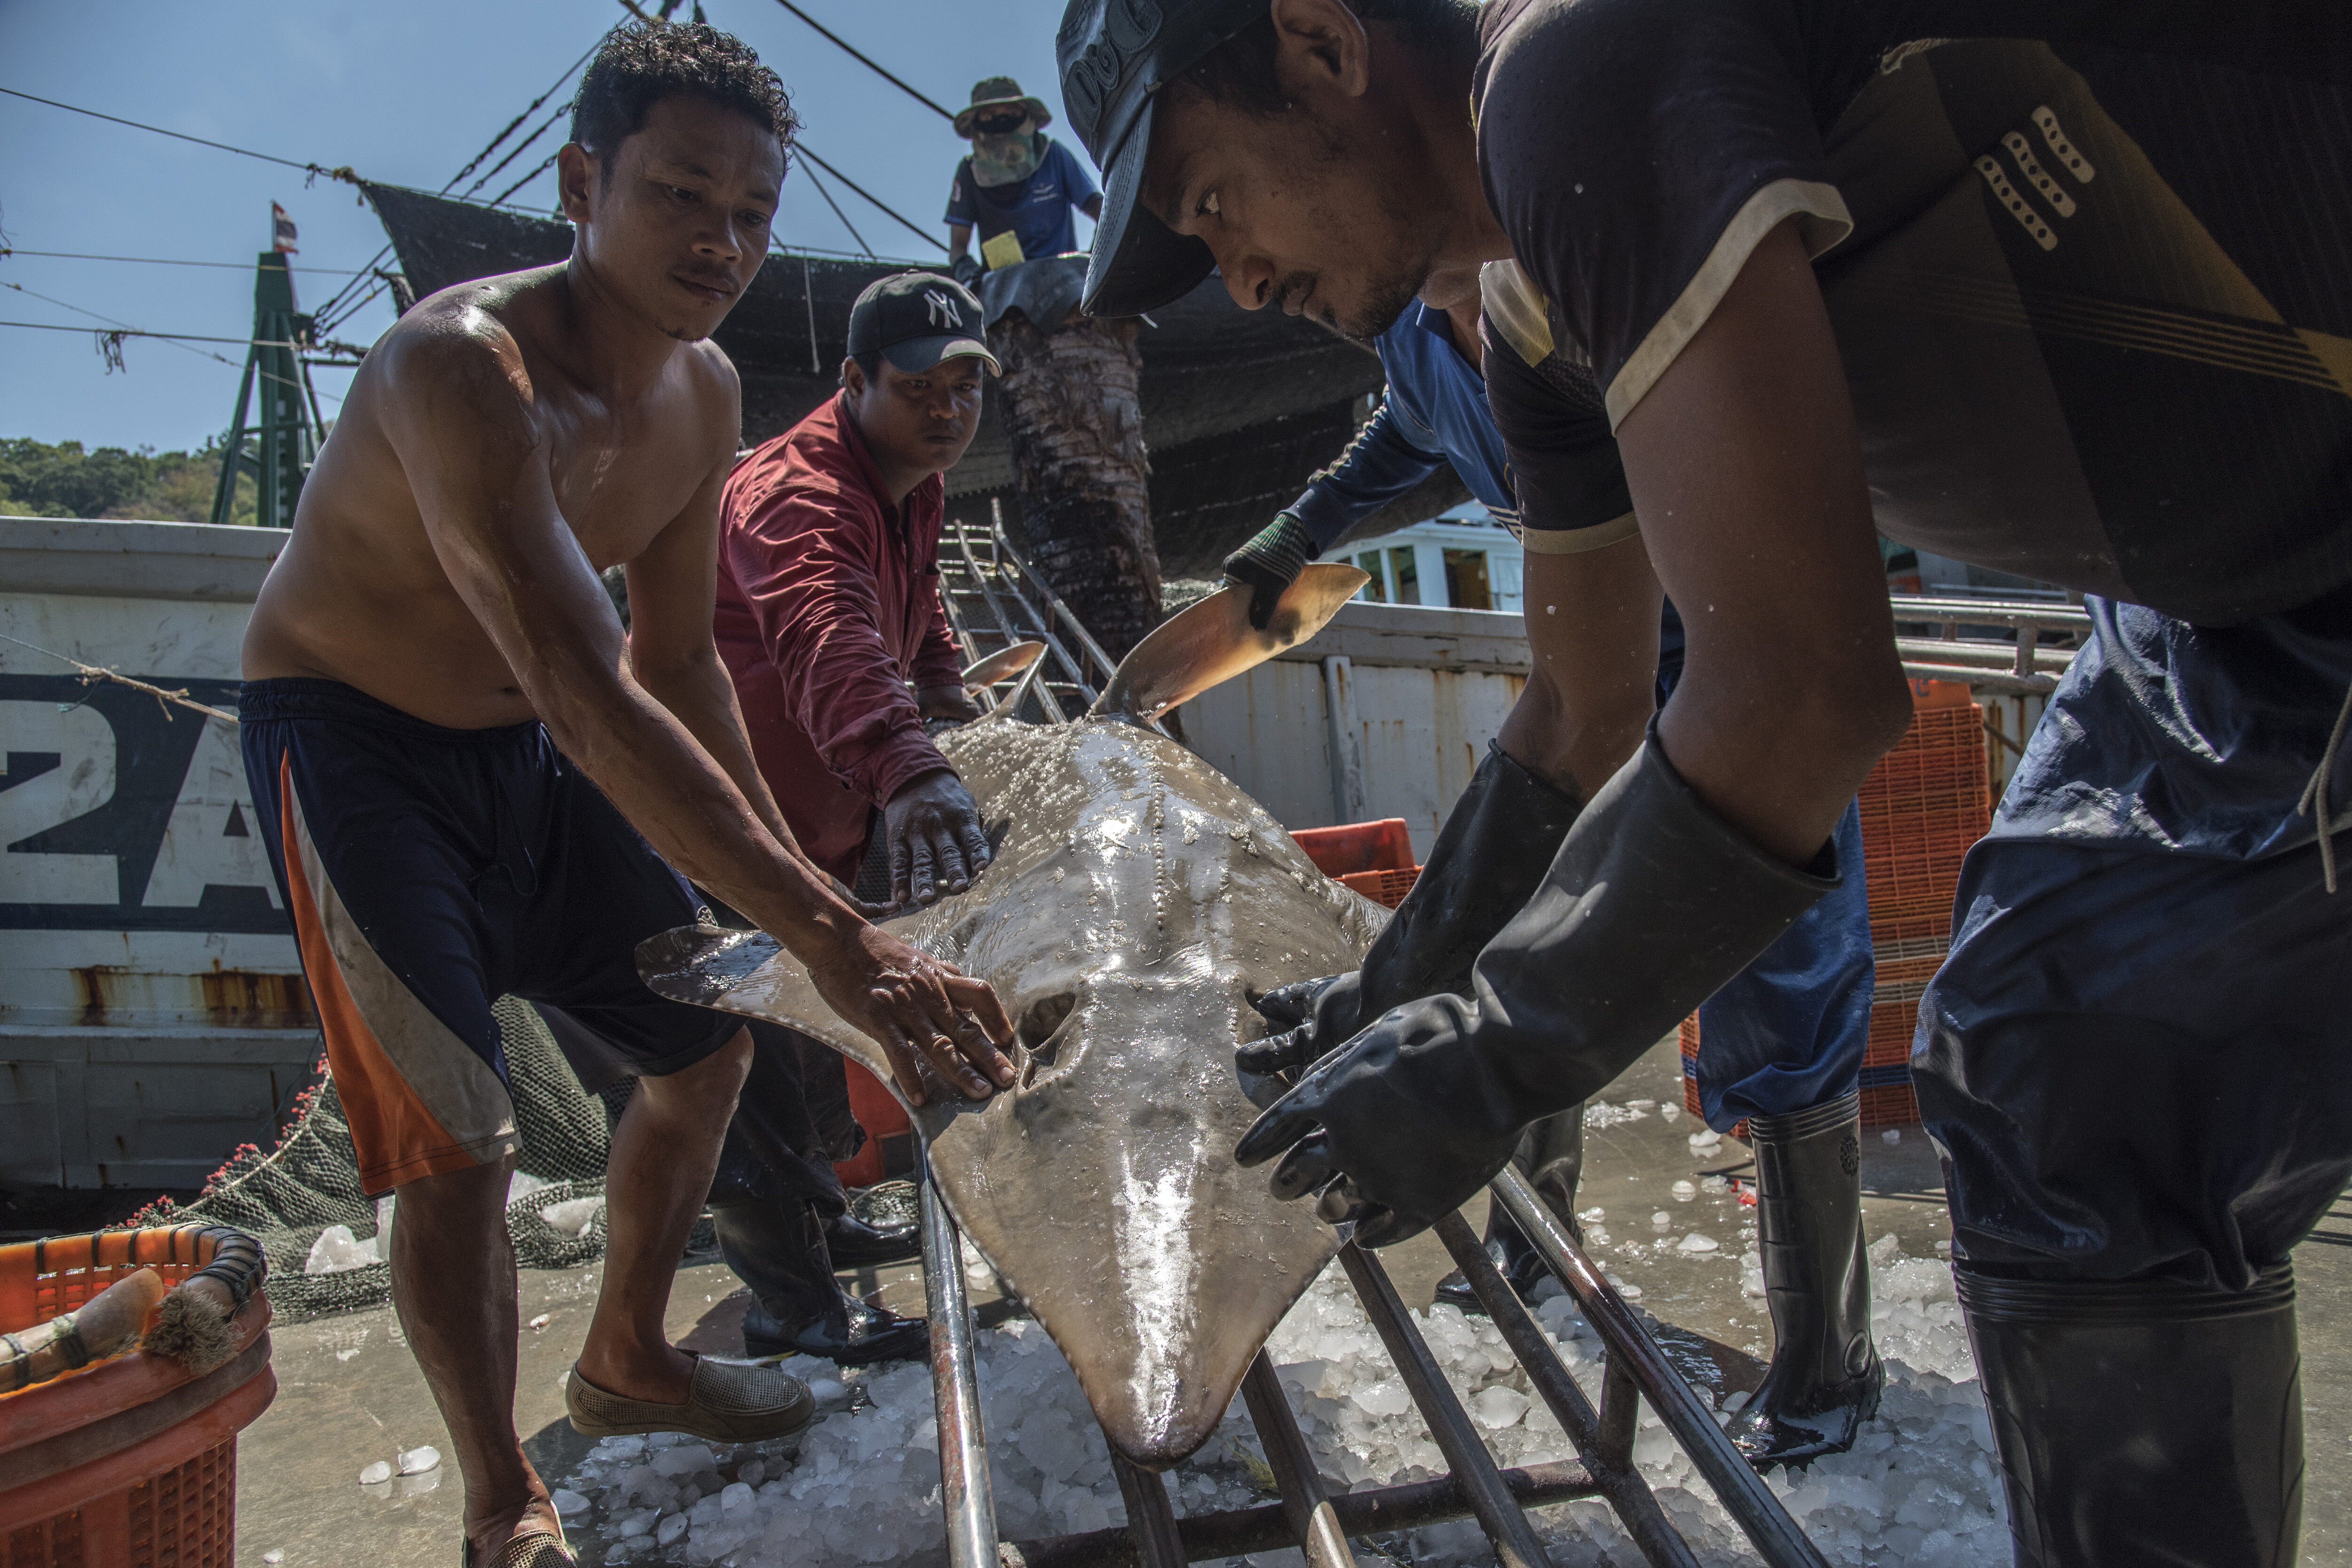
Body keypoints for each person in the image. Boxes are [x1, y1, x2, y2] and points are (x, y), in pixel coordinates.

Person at [1059, 0, 2351, 1560]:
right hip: (2207, 612)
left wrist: (1497, 1053)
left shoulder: (1575, 70)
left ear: (1323, 44)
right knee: (2055, 1075)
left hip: (2314, 555)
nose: (1242, 279)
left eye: (1216, 203)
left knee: (2082, 1086)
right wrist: (1398, 990)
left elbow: (1805, 688)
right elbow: (1580, 704)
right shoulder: (1526, 317)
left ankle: (1835, 1363)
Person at [238, 25, 1014, 1566]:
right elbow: (589, 688)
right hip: (356, 746)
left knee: (706, 1050)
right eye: (680, 194)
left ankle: (630, 1354)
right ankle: (496, 1499)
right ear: (582, 183)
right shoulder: (462, 369)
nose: (721, 241)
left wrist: (805, 901)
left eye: (751, 211)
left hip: (535, 744)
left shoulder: (703, 392)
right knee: (457, 1138)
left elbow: (680, 665)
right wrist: (841, 938)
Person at [1224, 290, 1881, 1464]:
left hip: (1736, 667)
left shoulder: (1573, 289)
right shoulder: (1412, 335)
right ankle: (1533, 1243)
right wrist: (1302, 524)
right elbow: (1403, 434)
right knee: (1533, 938)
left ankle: (1828, 1358)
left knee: (1786, 990)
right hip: (1589, 672)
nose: (1254, 287)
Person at [707, 271, 1002, 1363]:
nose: (947, 409)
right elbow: (826, 627)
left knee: (797, 1037)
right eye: (920, 386)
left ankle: (820, 1225)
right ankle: (791, 1312)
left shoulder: (913, 482)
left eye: (966, 387)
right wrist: (905, 764)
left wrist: (952, 701)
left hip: (817, 815)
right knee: (738, 1060)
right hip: (724, 817)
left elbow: (916, 613)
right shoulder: (798, 489)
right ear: (854, 380)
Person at [944, 77, 1103, 285]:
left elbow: (1102, 212)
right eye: (990, 116)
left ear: (1027, 117)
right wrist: (970, 277)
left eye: (1010, 113)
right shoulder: (969, 173)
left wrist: (1093, 266)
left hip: (1065, 285)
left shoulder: (1053, 156)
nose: (1002, 121)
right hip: (1005, 289)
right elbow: (958, 246)